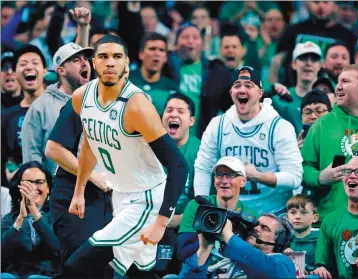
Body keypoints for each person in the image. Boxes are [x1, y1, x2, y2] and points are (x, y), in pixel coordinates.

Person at [56, 35, 188, 278]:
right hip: (121, 195)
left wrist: (160, 222)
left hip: (146, 199)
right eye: (103, 56)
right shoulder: (82, 97)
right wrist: (79, 191)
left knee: (77, 266)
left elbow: (178, 165)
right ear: (93, 62)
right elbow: (90, 143)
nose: (110, 63)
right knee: (142, 273)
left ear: (126, 63)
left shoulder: (136, 106)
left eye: (117, 57)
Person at [194, 66, 303, 216]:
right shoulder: (217, 125)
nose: (242, 90)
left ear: (260, 93)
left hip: (273, 214)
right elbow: (203, 167)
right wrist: (204, 205)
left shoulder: (279, 127)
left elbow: (295, 177)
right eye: (237, 85)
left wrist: (257, 176)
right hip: (229, 214)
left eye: (248, 86)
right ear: (231, 92)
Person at [301, 64, 358, 226]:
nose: (338, 87)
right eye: (338, 82)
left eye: (345, 81)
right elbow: (302, 168)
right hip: (330, 221)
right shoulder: (322, 125)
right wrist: (320, 177)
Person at [45, 97, 113, 276]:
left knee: (104, 269)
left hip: (108, 196)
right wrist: (91, 176)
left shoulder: (129, 105)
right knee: (81, 265)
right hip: (73, 193)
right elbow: (53, 149)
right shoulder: (81, 101)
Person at [177, 156, 259, 278]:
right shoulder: (197, 206)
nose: (224, 180)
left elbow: (253, 259)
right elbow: (183, 252)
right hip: (199, 272)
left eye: (231, 175)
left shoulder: (250, 216)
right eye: (219, 175)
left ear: (243, 181)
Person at [21, 42, 93, 175]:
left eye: (86, 59)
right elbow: (32, 157)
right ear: (61, 70)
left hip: (96, 188)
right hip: (58, 192)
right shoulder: (40, 107)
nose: (84, 63)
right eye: (76, 60)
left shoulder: (97, 100)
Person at [312, 157, 358, 279]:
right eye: (347, 171)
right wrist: (320, 270)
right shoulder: (330, 220)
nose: (351, 176)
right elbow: (323, 266)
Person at [157, 93, 201, 276]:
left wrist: (179, 219)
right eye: (169, 110)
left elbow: (208, 200)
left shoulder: (201, 152)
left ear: (191, 120)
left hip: (188, 227)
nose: (173, 115)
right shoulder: (149, 148)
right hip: (153, 224)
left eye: (180, 111)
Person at [1, 161, 60, 279]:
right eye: (28, 183)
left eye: (39, 182)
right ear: (19, 188)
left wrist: (35, 213)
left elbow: (58, 250)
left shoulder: (58, 217)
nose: (33, 188)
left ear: (48, 188)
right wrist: (20, 219)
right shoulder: (10, 219)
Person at [1, 45, 46, 183]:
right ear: (14, 73)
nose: (29, 67)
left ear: (45, 70)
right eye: (23, 64)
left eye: (35, 63)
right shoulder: (7, 117)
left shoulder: (60, 107)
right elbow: (7, 160)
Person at [272, 41, 322, 135]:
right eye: (303, 58)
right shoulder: (280, 100)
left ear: (320, 65)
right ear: (294, 64)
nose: (308, 63)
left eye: (314, 59)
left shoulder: (328, 100)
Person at [130, 32, 178, 116]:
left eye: (161, 50)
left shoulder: (172, 89)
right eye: (152, 49)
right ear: (141, 54)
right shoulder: (126, 82)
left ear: (166, 57)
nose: (157, 54)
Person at [286, 194, 319, 273]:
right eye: (293, 213)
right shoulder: (283, 241)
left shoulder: (322, 238)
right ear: (287, 218)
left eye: (303, 213)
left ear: (314, 218)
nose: (297, 216)